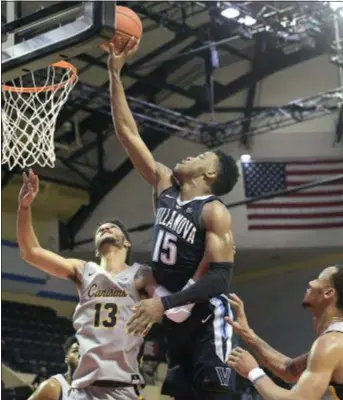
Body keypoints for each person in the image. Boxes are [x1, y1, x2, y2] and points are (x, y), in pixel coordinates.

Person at [108, 38, 240, 400]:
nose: (189, 156)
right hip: (172, 319)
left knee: (215, 395)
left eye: (201, 155)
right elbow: (128, 133)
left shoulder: (213, 211)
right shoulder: (164, 187)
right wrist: (115, 74)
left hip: (206, 320)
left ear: (211, 174)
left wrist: (161, 303)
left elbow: (220, 279)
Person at [17, 169, 190, 400]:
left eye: (112, 227)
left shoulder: (142, 274)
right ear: (96, 246)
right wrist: (25, 208)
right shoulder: (83, 270)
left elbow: (175, 297)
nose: (105, 228)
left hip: (120, 387)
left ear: (127, 242)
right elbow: (31, 252)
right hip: (82, 388)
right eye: (101, 228)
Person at [225, 265, 343, 400]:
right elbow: (289, 370)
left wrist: (253, 372)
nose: (310, 282)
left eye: (318, 280)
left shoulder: (331, 344)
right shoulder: (336, 340)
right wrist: (247, 334)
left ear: (328, 293)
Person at [28, 336, 79, 400]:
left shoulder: (94, 391)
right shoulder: (52, 388)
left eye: (84, 352)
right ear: (66, 358)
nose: (81, 354)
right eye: (76, 350)